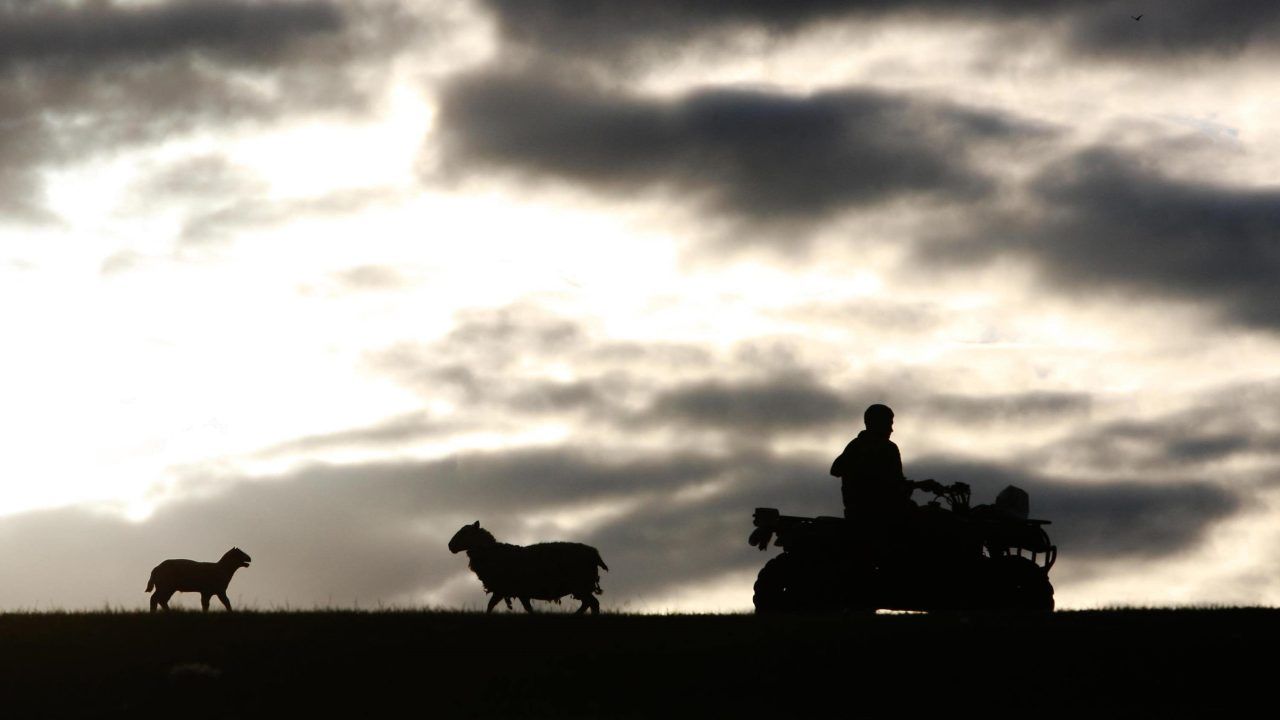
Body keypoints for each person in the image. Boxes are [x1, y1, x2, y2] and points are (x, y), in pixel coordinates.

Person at [830, 404, 937, 523]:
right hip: (880, 515)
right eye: (889, 424)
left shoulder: (856, 445)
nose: (891, 429)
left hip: (859, 513)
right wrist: (919, 485)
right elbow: (891, 485)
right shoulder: (886, 448)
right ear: (877, 423)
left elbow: (836, 470)